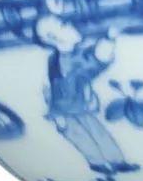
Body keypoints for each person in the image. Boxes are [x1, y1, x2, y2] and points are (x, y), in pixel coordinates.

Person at [35, 12, 130, 172]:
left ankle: (116, 161)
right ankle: (98, 163)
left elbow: (90, 62)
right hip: (65, 111)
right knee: (81, 137)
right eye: (64, 24)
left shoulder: (67, 57)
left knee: (97, 133)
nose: (71, 25)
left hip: (78, 106)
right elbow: (91, 66)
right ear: (53, 37)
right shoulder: (64, 61)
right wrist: (109, 39)